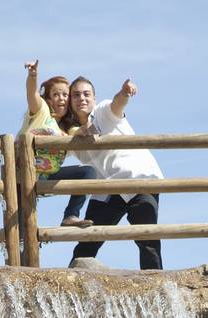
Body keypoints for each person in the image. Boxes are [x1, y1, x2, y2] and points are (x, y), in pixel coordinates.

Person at [65, 76, 164, 270]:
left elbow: (117, 104)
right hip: (106, 189)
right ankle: (70, 284)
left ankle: (156, 286)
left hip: (137, 178)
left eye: (86, 94)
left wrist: (125, 93)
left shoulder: (102, 111)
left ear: (94, 98)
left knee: (147, 239)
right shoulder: (71, 134)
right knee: (88, 240)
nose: (81, 99)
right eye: (76, 95)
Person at [19, 60, 94, 228]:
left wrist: (88, 126)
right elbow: (32, 95)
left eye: (66, 95)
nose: (62, 98)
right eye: (56, 94)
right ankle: (15, 252)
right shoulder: (41, 111)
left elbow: (79, 132)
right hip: (23, 175)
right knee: (21, 226)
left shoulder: (68, 128)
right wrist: (33, 75)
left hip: (48, 177)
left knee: (88, 172)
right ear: (49, 98)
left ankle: (71, 216)